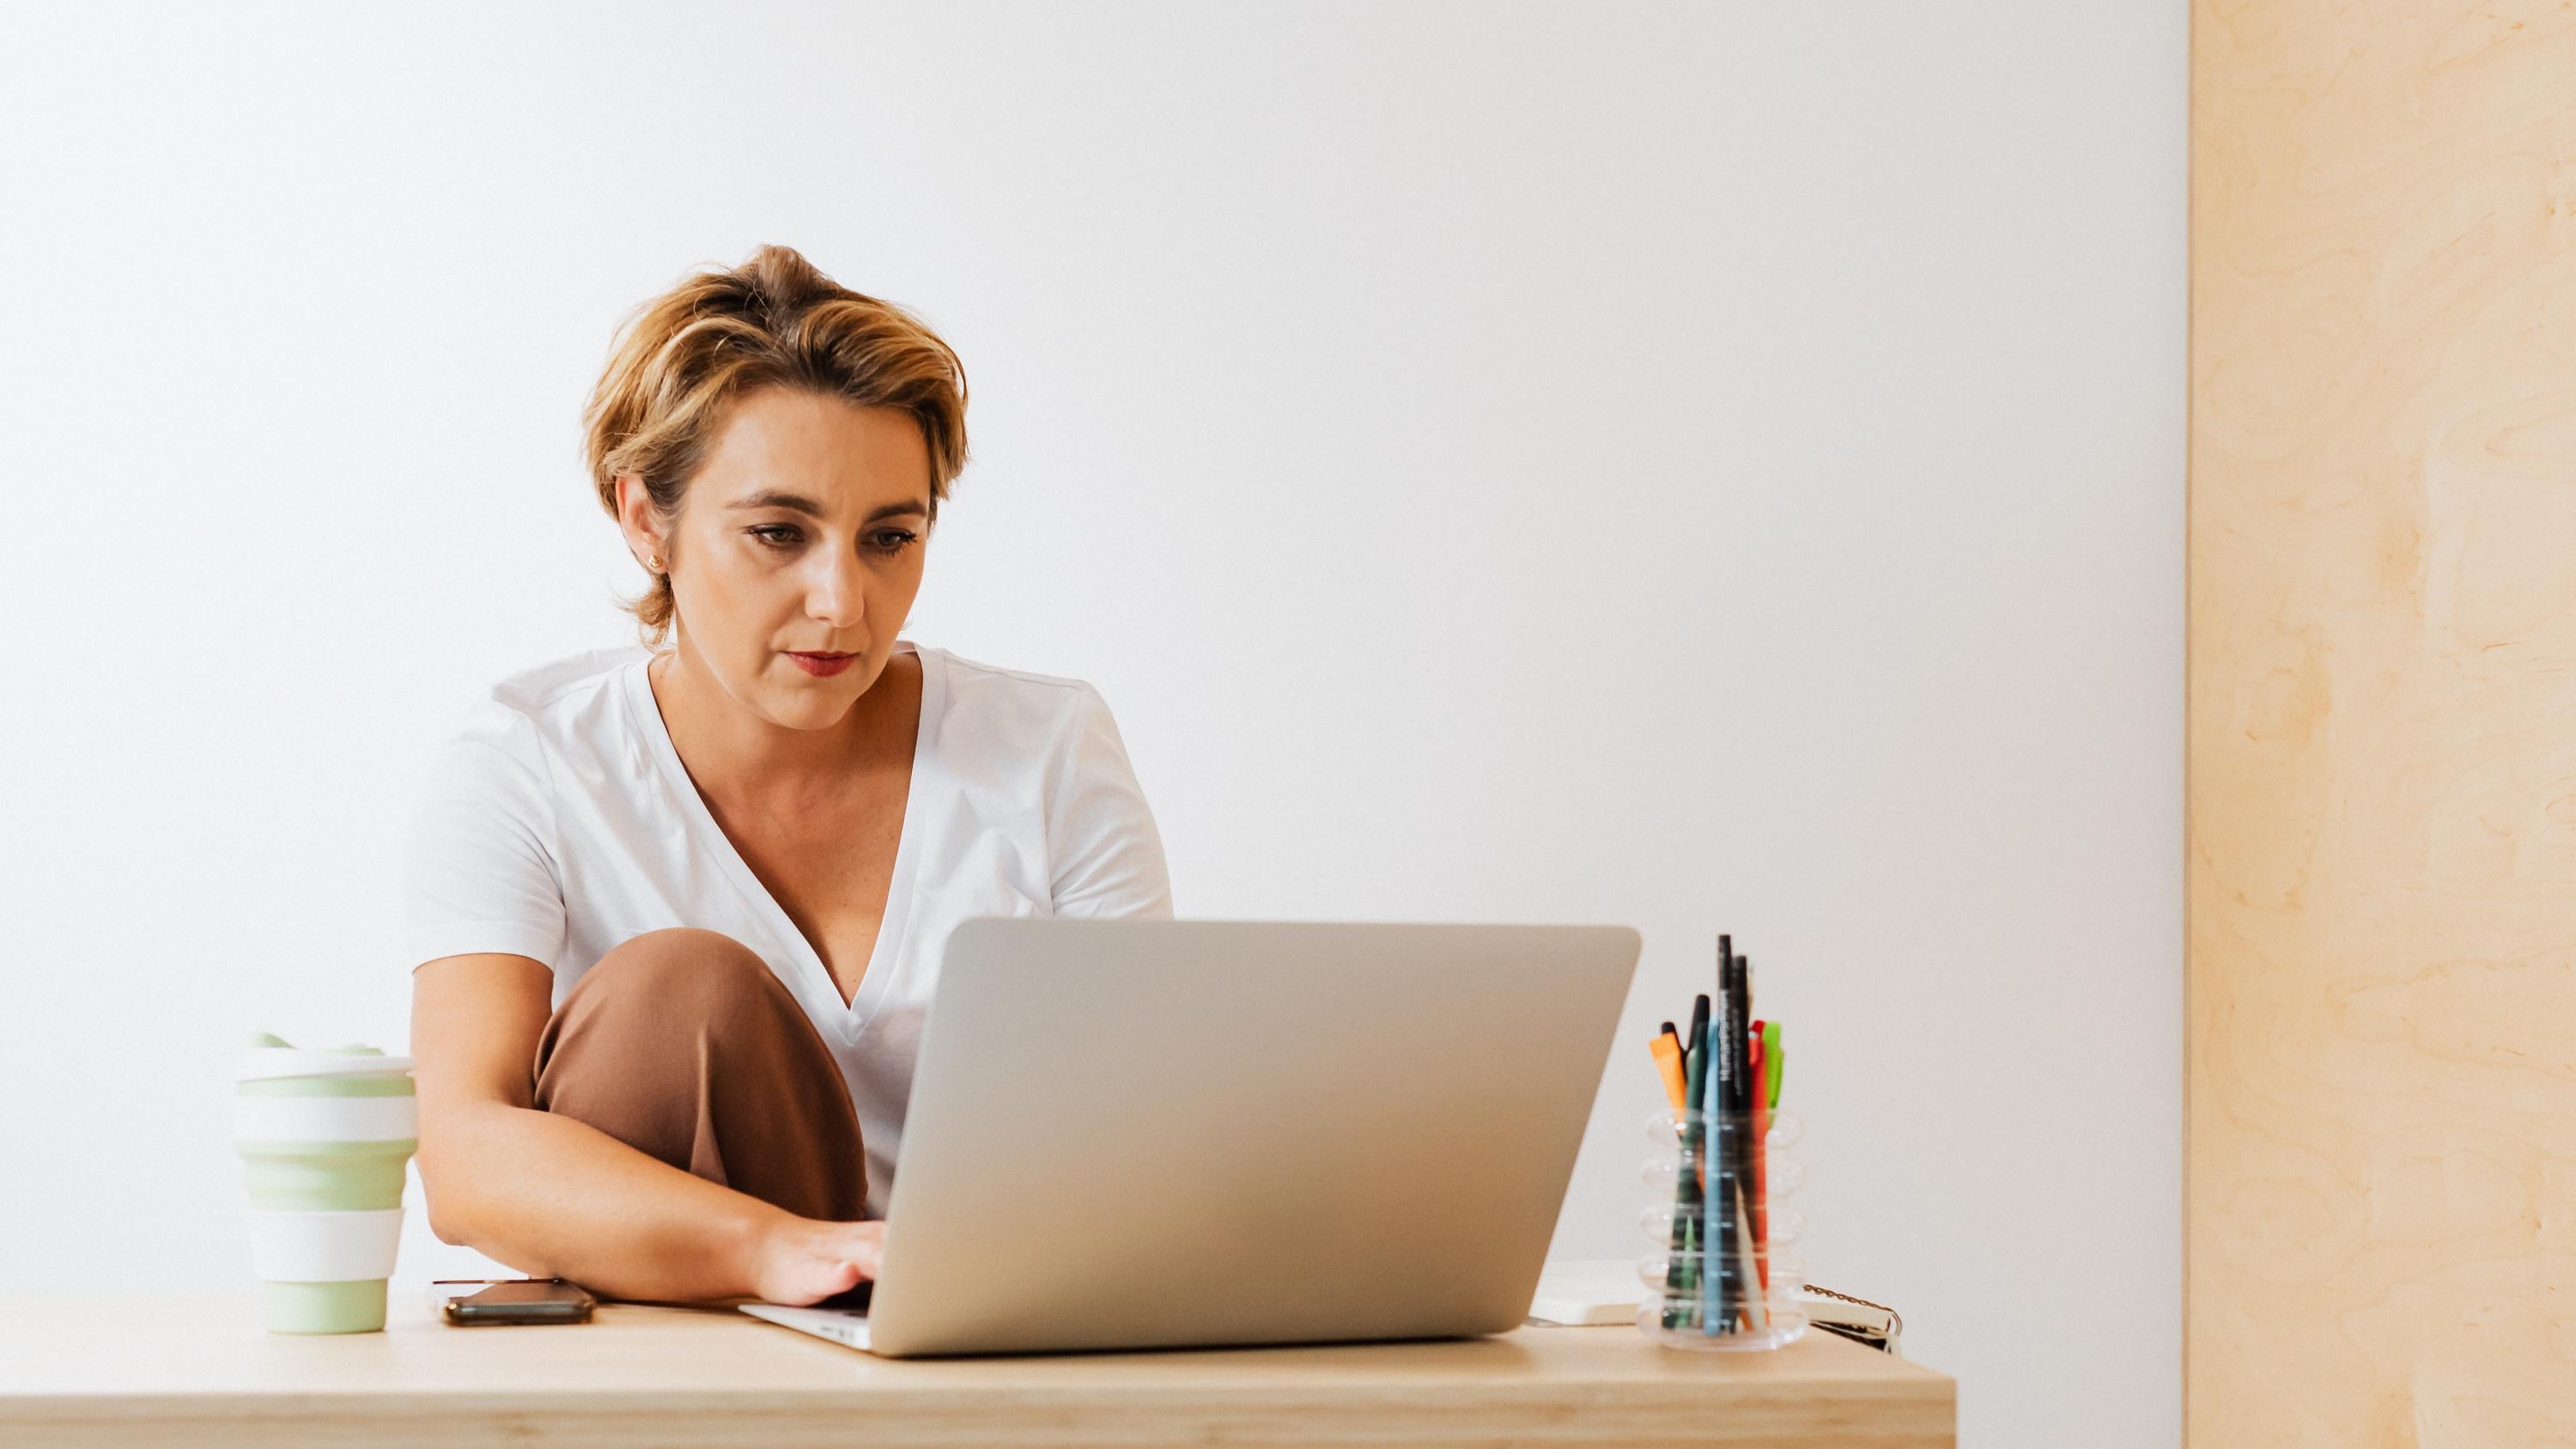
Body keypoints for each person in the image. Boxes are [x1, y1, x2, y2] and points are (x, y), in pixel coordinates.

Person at [404, 245, 1174, 1307]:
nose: (842, 603)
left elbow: (1146, 1130)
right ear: (646, 520)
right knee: (676, 997)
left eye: (889, 538)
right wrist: (783, 1249)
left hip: (971, 1338)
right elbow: (464, 1155)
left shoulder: (1046, 749)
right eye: (778, 533)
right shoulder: (528, 762)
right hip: (680, 1357)